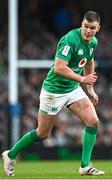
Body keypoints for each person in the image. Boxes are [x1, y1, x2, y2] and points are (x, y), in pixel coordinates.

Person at [2, 11, 104, 176]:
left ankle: (85, 166)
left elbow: (89, 61)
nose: (87, 31)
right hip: (53, 91)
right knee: (42, 133)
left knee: (93, 121)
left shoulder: (93, 42)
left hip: (72, 88)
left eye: (92, 28)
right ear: (81, 24)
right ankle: (10, 155)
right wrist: (82, 79)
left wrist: (90, 88)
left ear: (98, 28)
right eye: (85, 26)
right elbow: (59, 68)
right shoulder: (70, 40)